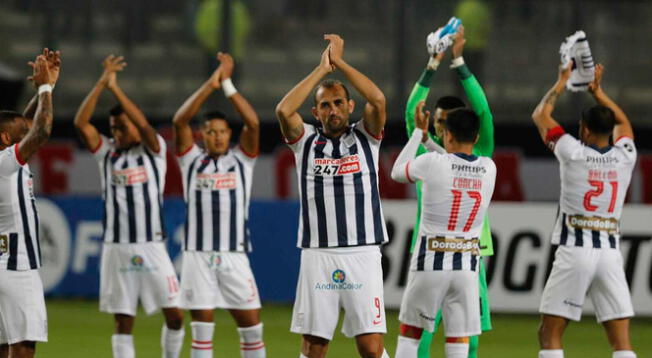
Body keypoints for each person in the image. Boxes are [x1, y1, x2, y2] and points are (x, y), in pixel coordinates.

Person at [275, 34, 390, 358]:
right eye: (325, 105)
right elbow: (284, 110)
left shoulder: (366, 137)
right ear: (316, 112)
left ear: (350, 106)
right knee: (314, 347)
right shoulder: (305, 142)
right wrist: (321, 70)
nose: (333, 109)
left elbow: (379, 100)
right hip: (318, 254)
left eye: (339, 102)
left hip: (363, 253)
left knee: (369, 347)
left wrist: (340, 63)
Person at [74, 55, 185, 358]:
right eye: (113, 128)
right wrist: (102, 83)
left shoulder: (154, 151)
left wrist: (117, 90)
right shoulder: (107, 154)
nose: (117, 133)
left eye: (122, 127)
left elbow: (145, 126)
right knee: (123, 321)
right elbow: (81, 123)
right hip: (116, 246)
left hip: (151, 245)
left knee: (175, 316)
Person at [532, 63, 637, 358]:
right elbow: (624, 124)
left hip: (574, 250)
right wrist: (599, 93)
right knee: (621, 342)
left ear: (585, 129)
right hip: (609, 253)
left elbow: (540, 115)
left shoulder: (571, 152)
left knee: (549, 334)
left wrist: (562, 81)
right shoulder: (625, 156)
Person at [404, 27, 495, 358]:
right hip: (429, 249)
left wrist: (459, 62)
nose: (440, 129)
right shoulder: (427, 155)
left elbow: (483, 113)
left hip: (472, 253)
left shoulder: (479, 152)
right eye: (436, 123)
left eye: (446, 124)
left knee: (468, 341)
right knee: (422, 337)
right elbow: (410, 110)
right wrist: (432, 65)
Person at [173, 52, 265, 358]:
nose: (217, 137)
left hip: (234, 254)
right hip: (197, 255)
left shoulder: (241, 161)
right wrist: (209, 85)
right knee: (202, 332)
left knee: (252, 329)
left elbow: (252, 122)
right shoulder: (191, 161)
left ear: (229, 135)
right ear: (203, 136)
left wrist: (227, 85)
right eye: (210, 132)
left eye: (223, 132)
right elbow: (180, 120)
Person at [391, 102, 496, 358]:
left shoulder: (430, 164)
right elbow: (455, 162)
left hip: (431, 262)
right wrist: (430, 141)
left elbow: (396, 172)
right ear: (477, 137)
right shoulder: (489, 168)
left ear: (447, 134)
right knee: (458, 340)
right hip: (467, 269)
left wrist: (418, 133)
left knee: (410, 333)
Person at [0, 48, 59, 358]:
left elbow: (23, 125)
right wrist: (47, 89)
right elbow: (41, 130)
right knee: (23, 347)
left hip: (2, 262)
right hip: (17, 265)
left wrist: (43, 88)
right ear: (7, 141)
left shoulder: (4, 159)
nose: (27, 137)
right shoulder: (5, 162)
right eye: (20, 136)